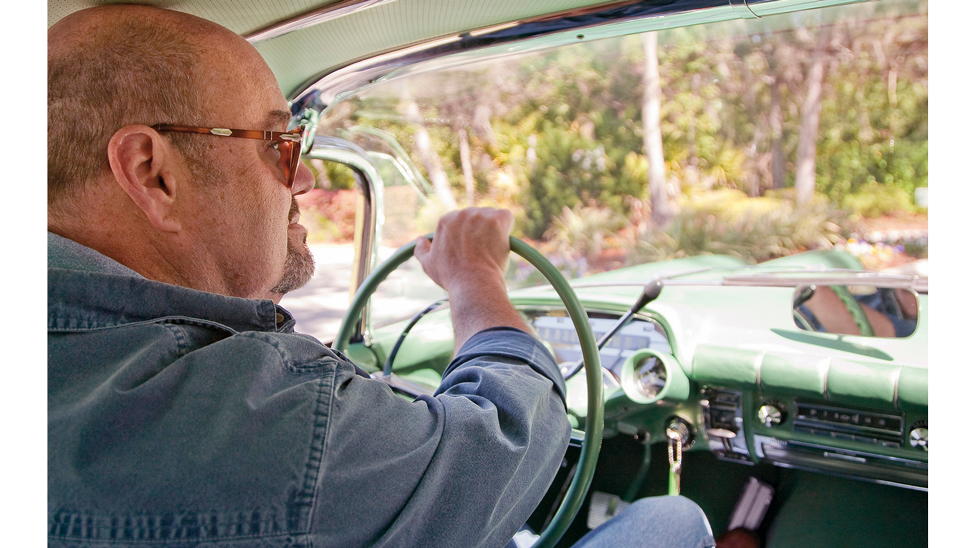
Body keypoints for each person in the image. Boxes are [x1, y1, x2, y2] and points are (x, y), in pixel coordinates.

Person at [47, 5, 715, 547]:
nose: (305, 176)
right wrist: (474, 279)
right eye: (280, 145)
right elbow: (509, 441)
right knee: (672, 521)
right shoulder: (250, 413)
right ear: (151, 173)